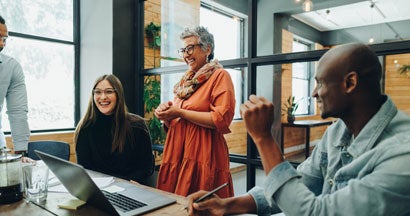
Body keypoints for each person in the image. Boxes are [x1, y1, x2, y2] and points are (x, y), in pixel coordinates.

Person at [187, 43, 410, 215]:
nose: (314, 93)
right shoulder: (337, 131)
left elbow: (314, 212)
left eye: (320, 83)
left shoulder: (402, 155)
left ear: (350, 83)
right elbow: (301, 183)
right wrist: (227, 205)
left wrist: (264, 138)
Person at [155, 26, 235, 197]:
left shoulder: (220, 76)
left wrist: (180, 112)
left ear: (208, 49)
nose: (185, 54)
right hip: (177, 152)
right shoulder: (186, 82)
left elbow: (220, 119)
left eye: (190, 48)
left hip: (204, 154)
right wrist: (166, 116)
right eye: (183, 50)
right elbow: (176, 121)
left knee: (201, 204)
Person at [74, 74, 154, 184]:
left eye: (109, 91)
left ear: (118, 95)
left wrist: (126, 181)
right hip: (98, 188)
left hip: (130, 187)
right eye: (98, 92)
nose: (103, 97)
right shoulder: (85, 127)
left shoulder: (137, 125)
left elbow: (146, 168)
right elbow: (85, 168)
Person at [0, 15, 30, 156]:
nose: (2, 44)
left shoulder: (11, 67)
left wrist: (21, 152)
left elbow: (17, 112)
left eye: (4, 39)